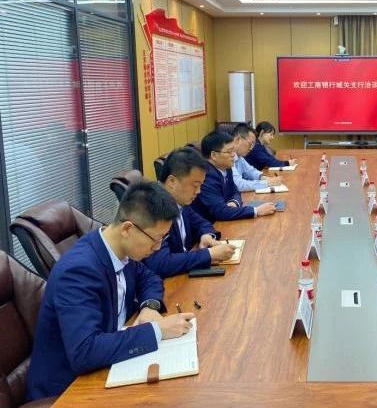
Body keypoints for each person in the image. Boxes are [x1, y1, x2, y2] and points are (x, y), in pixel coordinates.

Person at [26, 182, 195, 400]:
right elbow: (85, 351)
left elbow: (150, 277)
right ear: (127, 229)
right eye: (156, 239)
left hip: (112, 359)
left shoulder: (119, 249)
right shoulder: (78, 271)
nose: (158, 247)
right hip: (70, 389)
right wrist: (158, 330)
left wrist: (149, 307)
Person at [144, 147, 236, 278]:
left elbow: (201, 222)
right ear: (172, 182)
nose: (198, 191)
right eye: (195, 185)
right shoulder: (152, 207)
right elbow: (161, 263)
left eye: (200, 185)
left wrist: (206, 236)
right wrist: (210, 254)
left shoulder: (179, 200)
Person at [192, 131, 276, 222]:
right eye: (229, 151)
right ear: (214, 155)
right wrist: (256, 211)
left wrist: (234, 202)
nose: (233, 155)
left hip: (225, 220)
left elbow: (235, 191)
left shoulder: (226, 168)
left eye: (233, 150)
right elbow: (220, 212)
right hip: (210, 225)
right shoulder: (206, 176)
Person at [231, 123, 283, 192]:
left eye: (253, 144)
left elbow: (251, 171)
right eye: (250, 143)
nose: (251, 148)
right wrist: (267, 183)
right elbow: (239, 185)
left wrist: (264, 178)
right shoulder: (228, 157)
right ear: (238, 140)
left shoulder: (239, 157)